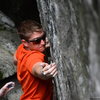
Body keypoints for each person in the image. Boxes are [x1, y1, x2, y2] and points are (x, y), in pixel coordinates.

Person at [13, 20, 58, 100]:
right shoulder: (34, 57)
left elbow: (15, 60)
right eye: (37, 41)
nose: (43, 42)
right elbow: (37, 68)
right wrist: (44, 72)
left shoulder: (21, 48)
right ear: (25, 42)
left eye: (43, 37)